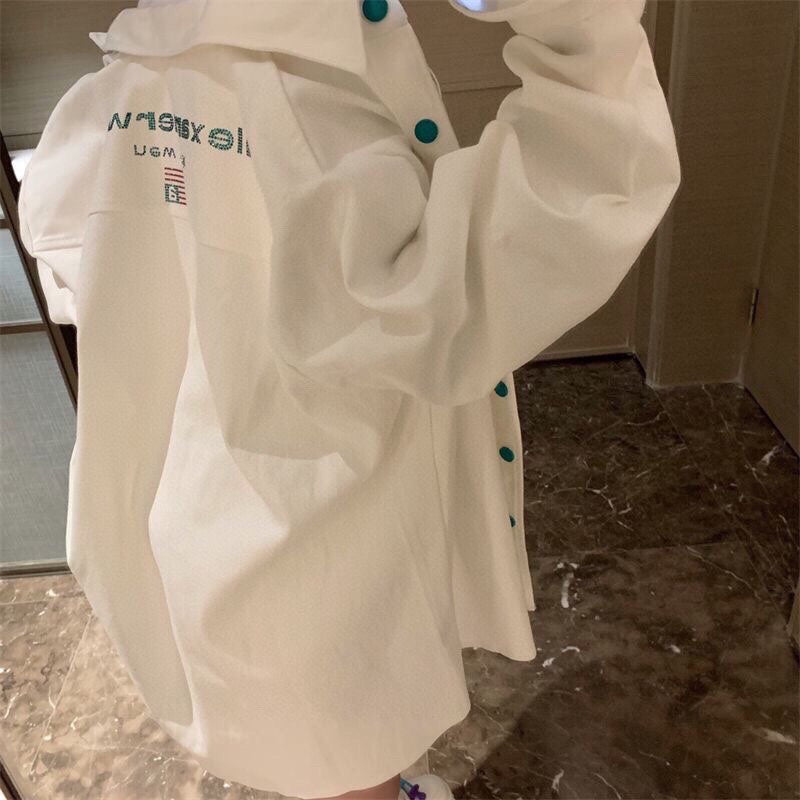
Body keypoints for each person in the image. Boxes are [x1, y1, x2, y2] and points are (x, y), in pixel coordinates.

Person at [17, 0, 681, 797]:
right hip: (315, 553)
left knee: (308, 743)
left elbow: (65, 251)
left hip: (190, 522)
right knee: (345, 755)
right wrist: (584, 38)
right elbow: (459, 302)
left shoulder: (122, 83)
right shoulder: (306, 104)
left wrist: (216, 276)